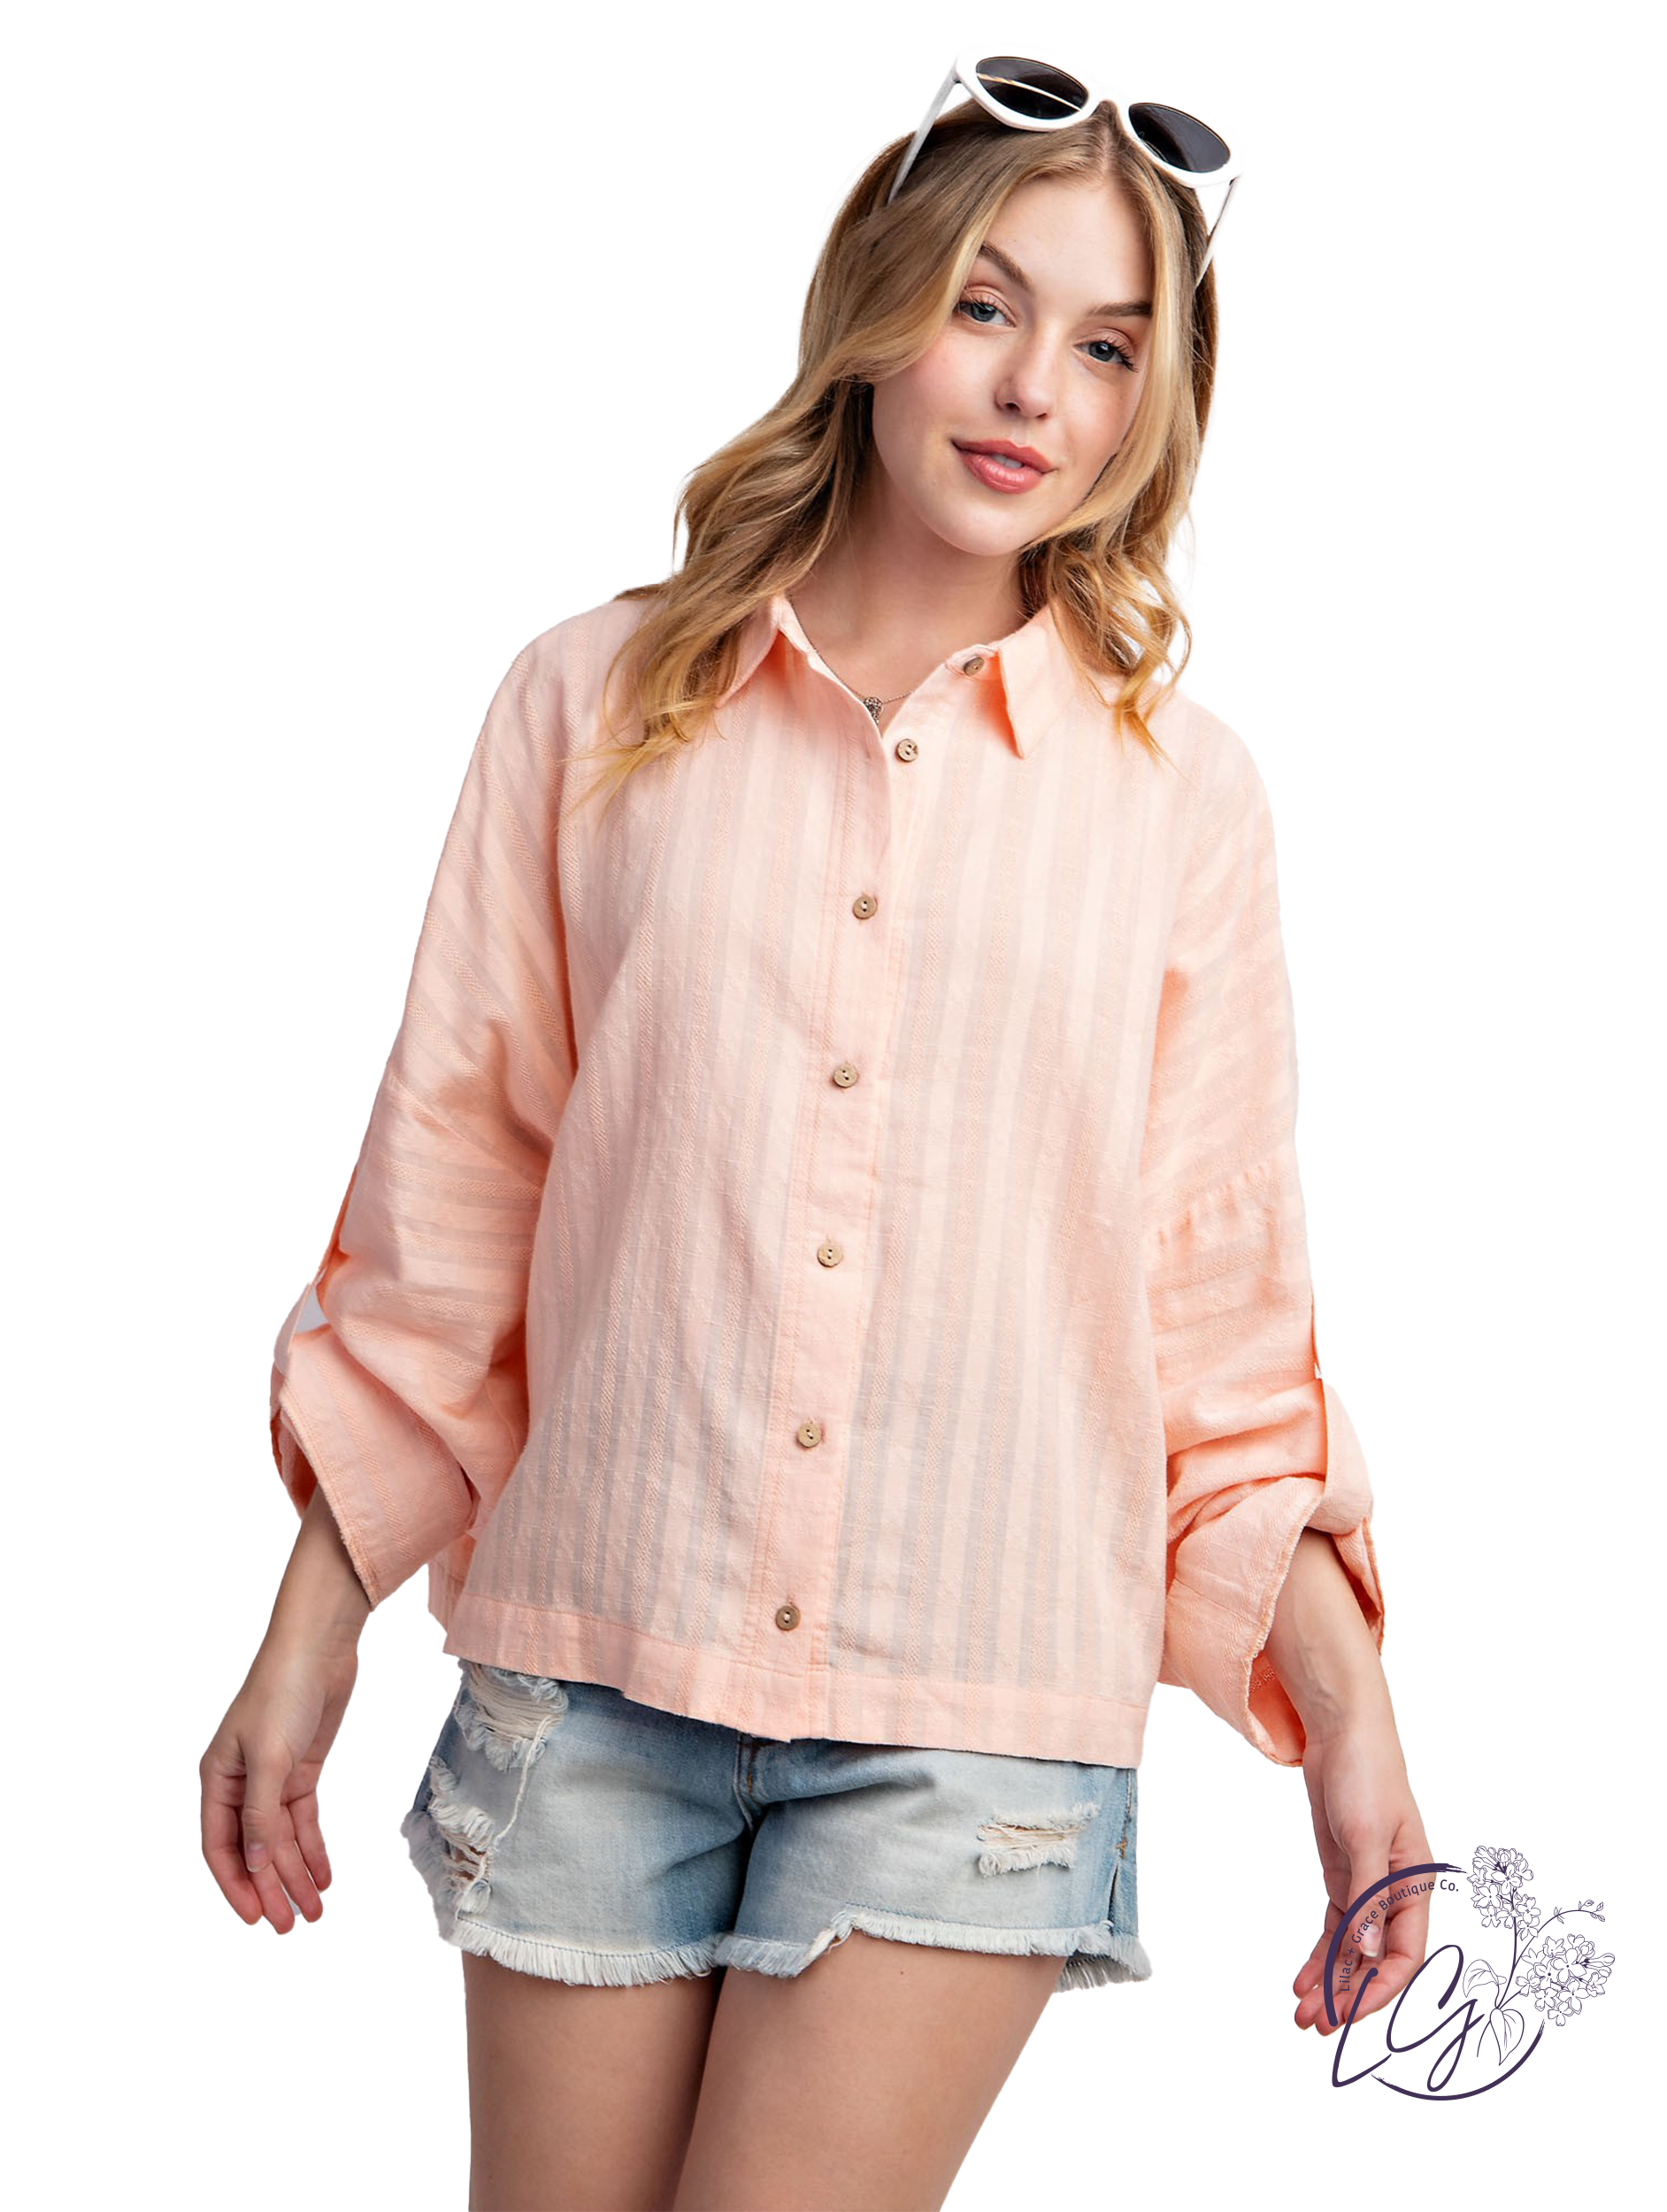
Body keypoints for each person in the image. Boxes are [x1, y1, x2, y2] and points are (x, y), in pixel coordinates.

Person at [202, 56, 1431, 2212]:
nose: (1034, 386)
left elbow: (1219, 1318)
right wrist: (308, 1628)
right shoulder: (592, 702)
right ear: (877, 305)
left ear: (1154, 402)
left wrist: (1357, 1730)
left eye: (1109, 344)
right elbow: (457, 1204)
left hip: (975, 1716)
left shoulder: (1182, 799)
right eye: (986, 303)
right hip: (592, 1668)